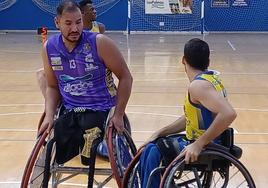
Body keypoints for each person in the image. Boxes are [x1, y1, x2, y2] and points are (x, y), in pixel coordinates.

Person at [38, 0, 132, 186]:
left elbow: (126, 77)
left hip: (102, 109)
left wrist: (119, 114)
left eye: (78, 22)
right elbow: (52, 86)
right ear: (57, 22)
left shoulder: (100, 43)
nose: (75, 28)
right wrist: (49, 115)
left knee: (92, 133)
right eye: (68, 23)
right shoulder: (49, 47)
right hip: (71, 110)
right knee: (51, 141)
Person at [139, 38, 237, 188]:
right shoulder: (210, 79)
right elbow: (192, 118)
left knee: (152, 151)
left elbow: (229, 113)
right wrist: (160, 132)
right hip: (205, 140)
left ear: (183, 60)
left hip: (206, 144)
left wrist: (199, 144)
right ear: (208, 61)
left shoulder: (198, 86)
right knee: (152, 145)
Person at [36, 0, 105, 99]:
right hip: (70, 63)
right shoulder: (55, 42)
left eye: (78, 22)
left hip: (90, 65)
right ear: (83, 12)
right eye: (92, 9)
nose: (95, 11)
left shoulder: (99, 31)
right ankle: (55, 107)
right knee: (41, 74)